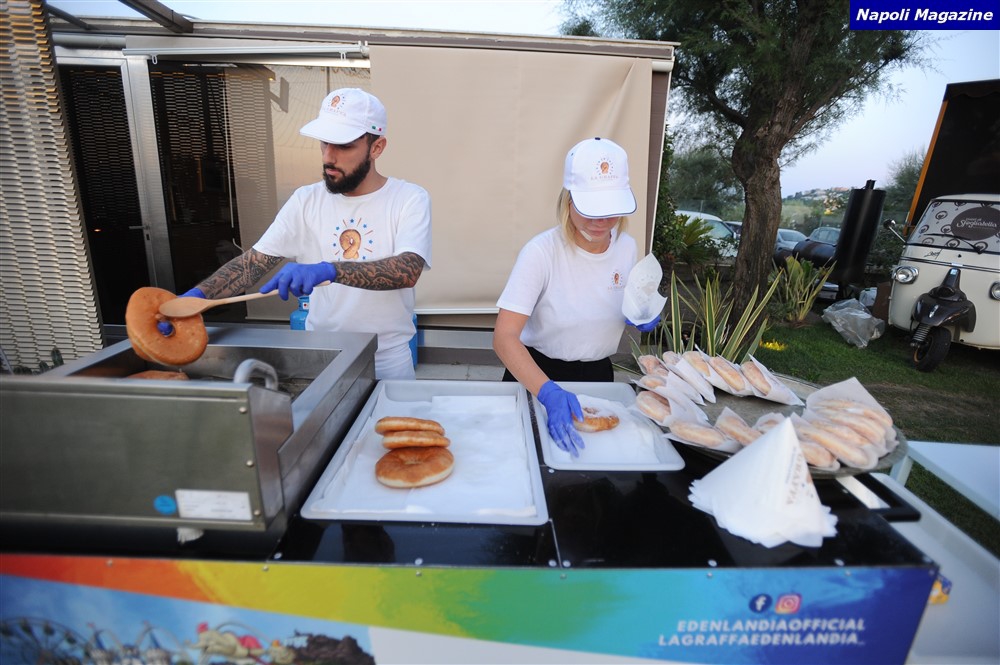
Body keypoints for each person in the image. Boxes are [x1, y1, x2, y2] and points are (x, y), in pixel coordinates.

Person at [180, 88, 432, 380]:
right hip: (323, 358)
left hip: (387, 361)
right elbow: (251, 265)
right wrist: (197, 297)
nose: (328, 156)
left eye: (344, 146)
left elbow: (407, 270)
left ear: (377, 147)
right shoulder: (306, 200)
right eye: (324, 142)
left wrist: (328, 270)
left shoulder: (408, 198)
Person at [493, 137, 660, 456]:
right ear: (568, 200)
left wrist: (642, 311)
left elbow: (621, 299)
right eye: (590, 209)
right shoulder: (541, 252)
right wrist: (547, 392)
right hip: (536, 373)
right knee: (527, 459)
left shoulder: (627, 247)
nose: (600, 222)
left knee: (592, 465)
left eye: (610, 210)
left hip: (597, 374)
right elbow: (504, 338)